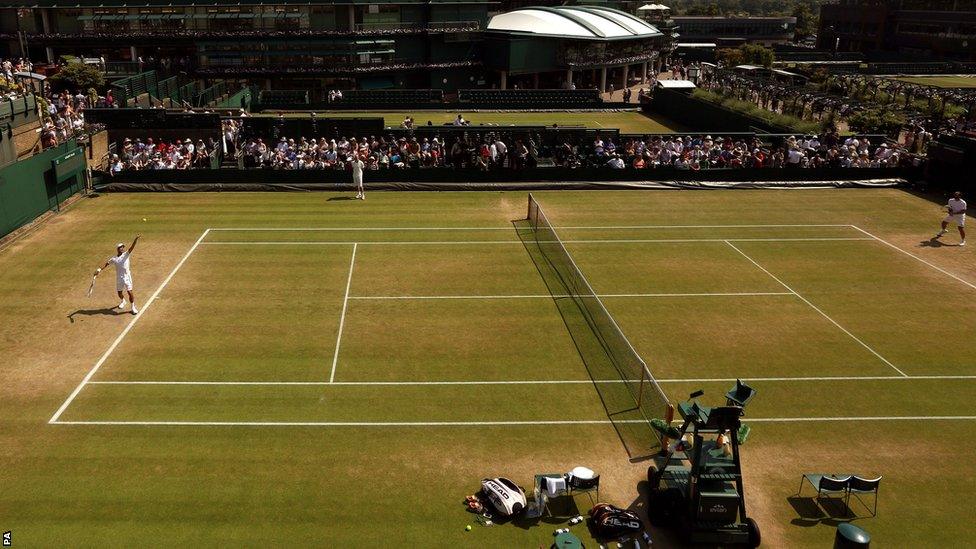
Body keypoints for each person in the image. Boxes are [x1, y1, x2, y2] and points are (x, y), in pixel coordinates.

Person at [95, 235, 140, 314]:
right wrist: (99, 270)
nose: (122, 248)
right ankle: (123, 301)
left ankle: (133, 307)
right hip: (119, 278)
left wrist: (135, 240)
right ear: (118, 249)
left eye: (123, 247)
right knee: (119, 293)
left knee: (130, 292)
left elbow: (131, 248)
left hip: (127, 277)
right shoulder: (114, 258)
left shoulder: (126, 254)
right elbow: (106, 264)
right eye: (120, 247)